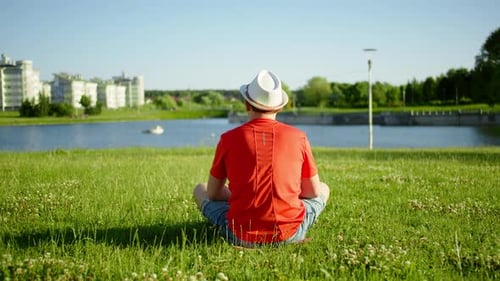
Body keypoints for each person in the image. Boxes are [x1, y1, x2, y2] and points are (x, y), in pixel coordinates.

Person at [193, 69, 330, 247]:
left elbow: (213, 193)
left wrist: (240, 195)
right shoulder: (299, 137)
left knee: (200, 188)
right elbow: (312, 192)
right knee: (323, 188)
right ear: (279, 107)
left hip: (241, 235)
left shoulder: (228, 139)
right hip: (290, 234)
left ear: (247, 104)